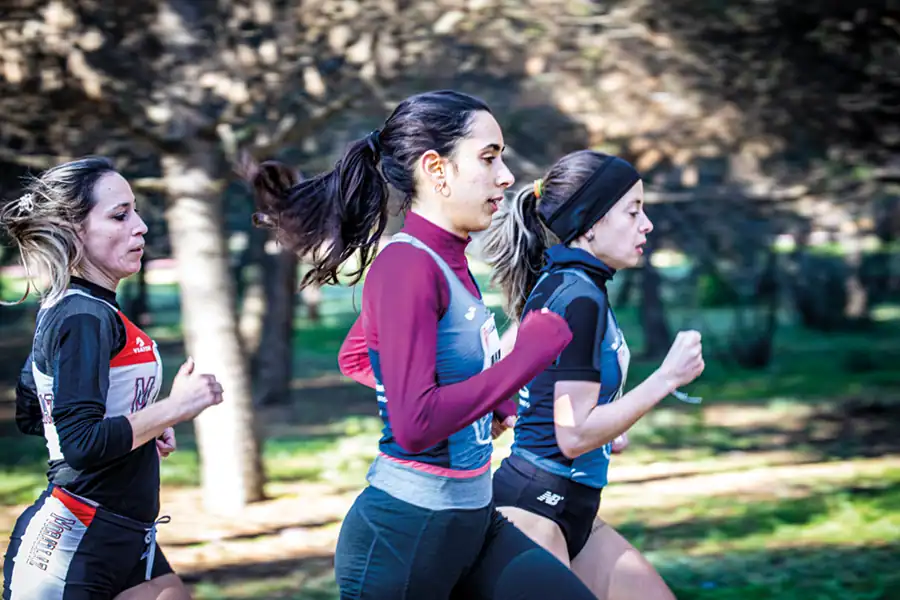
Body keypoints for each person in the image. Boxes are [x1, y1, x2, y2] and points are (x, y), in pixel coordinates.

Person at [247, 90, 596, 600]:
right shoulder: (407, 266)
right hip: (405, 537)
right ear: (437, 169)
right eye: (489, 157)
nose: (505, 177)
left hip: (473, 523)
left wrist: (479, 402)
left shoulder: (452, 260)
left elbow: (359, 356)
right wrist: (524, 359)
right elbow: (413, 425)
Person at [481, 149, 705, 600]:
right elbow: (574, 434)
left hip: (574, 507)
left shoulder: (568, 284)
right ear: (590, 220)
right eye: (633, 211)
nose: (647, 225)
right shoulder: (578, 297)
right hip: (535, 509)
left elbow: (552, 396)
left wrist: (610, 426)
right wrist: (667, 377)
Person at [1, 156, 225, 600]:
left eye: (136, 211)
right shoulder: (81, 314)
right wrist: (174, 407)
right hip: (74, 545)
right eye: (120, 215)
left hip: (124, 537)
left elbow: (35, 412)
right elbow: (78, 444)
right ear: (73, 230)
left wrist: (145, 427)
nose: (140, 226)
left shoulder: (80, 307)